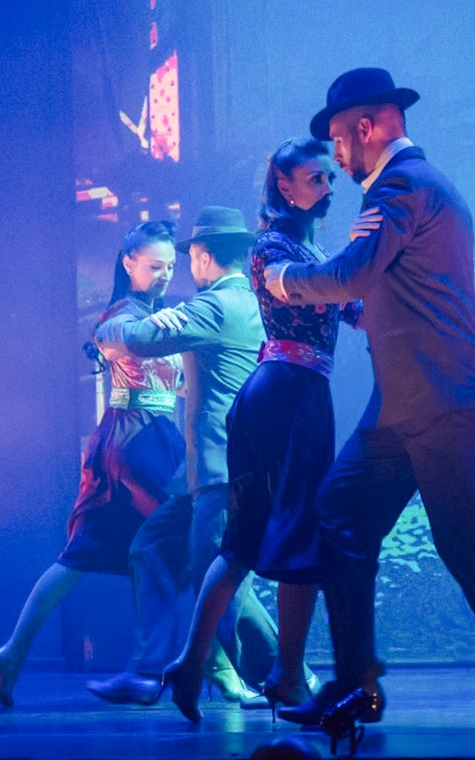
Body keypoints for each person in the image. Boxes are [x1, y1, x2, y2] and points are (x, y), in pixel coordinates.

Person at [263, 68, 475, 728]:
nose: (336, 155)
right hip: (408, 403)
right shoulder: (422, 186)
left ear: (364, 126)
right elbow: (390, 289)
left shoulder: (401, 184)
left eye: (337, 139)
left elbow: (354, 273)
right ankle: (357, 686)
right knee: (340, 516)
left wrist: (285, 281)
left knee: (472, 546)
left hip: (437, 399)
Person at [160, 137, 361, 723]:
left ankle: (193, 663)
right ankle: (287, 675)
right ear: (284, 186)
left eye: (329, 178)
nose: (327, 188)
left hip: (288, 395)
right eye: (316, 179)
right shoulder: (272, 245)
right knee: (292, 533)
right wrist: (357, 274)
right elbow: (294, 284)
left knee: (247, 541)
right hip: (286, 397)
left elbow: (348, 306)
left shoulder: (303, 242)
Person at [0, 220, 186, 707]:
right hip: (131, 445)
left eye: (170, 267)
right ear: (128, 262)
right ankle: (221, 668)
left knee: (89, 557)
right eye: (155, 266)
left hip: (156, 440)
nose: (163, 275)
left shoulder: (159, 314)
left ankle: (10, 654)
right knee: (191, 543)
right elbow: (113, 343)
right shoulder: (122, 316)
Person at [87, 206, 279, 707]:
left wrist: (104, 334)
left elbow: (144, 338)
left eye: (187, 257)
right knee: (153, 550)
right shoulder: (246, 299)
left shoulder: (215, 305)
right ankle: (152, 671)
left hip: (220, 465)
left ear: (201, 255)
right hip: (200, 469)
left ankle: (279, 672)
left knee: (219, 575)